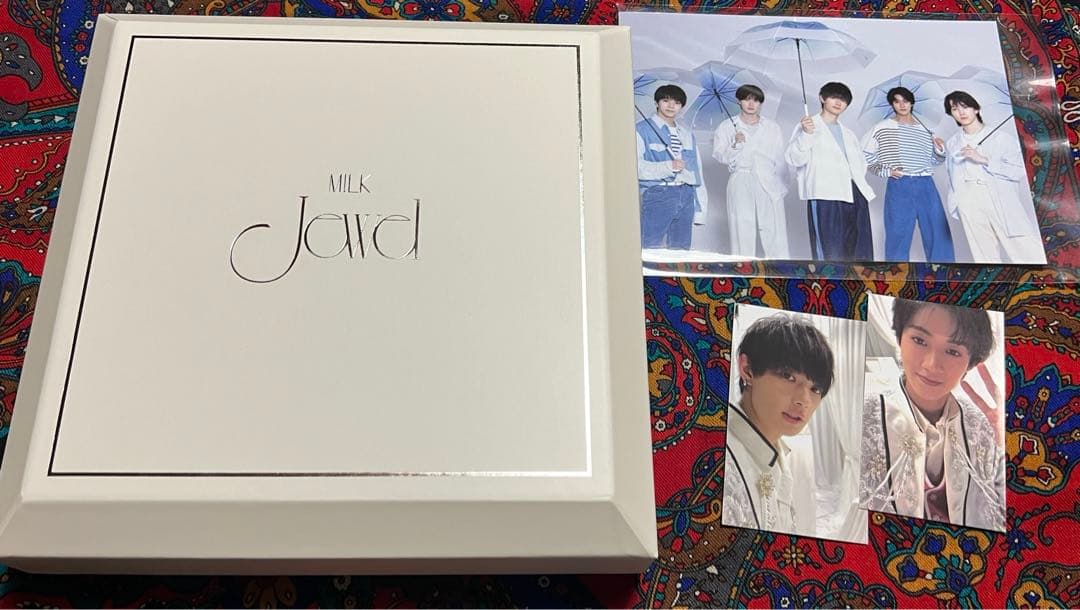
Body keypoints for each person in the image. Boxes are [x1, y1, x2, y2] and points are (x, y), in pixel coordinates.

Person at [861, 298, 1005, 531]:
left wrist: (1008, 444)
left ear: (971, 363)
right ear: (899, 338)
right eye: (919, 340)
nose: (931, 364)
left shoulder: (982, 425)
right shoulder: (864, 417)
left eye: (952, 351)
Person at [723, 313, 834, 536]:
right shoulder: (725, 461)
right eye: (788, 377)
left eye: (815, 389)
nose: (804, 400)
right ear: (747, 369)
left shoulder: (783, 456)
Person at [942, 91, 1044, 263]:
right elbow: (951, 176)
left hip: (998, 198)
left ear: (976, 109)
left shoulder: (1001, 138)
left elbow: (1019, 170)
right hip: (968, 202)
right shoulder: (952, 143)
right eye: (954, 109)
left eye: (965, 107)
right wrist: (959, 203)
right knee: (984, 256)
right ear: (951, 114)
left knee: (1026, 250)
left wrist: (984, 160)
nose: (961, 112)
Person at [862, 87, 955, 262]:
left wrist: (940, 150)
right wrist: (886, 171)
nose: (902, 105)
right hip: (900, 184)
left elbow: (935, 161)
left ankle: (944, 274)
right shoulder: (882, 128)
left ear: (912, 103)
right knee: (897, 234)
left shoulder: (926, 130)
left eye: (905, 101)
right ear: (892, 105)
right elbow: (865, 156)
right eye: (897, 101)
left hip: (926, 184)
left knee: (938, 233)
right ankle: (897, 274)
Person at [785, 82, 875, 261]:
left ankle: (858, 281)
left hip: (855, 193)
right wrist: (807, 134)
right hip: (825, 193)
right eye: (834, 97)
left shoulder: (849, 133)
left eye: (844, 100)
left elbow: (860, 164)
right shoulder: (808, 126)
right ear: (822, 98)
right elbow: (793, 159)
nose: (839, 103)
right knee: (830, 253)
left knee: (860, 252)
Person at [712, 84, 789, 259]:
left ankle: (778, 267)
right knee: (742, 225)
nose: (751, 104)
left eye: (756, 100)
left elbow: (780, 159)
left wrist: (780, 188)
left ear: (760, 103)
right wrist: (735, 144)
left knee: (773, 228)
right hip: (741, 176)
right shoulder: (727, 126)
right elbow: (719, 156)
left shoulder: (772, 127)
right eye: (747, 99)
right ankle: (743, 265)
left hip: (768, 179)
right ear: (739, 101)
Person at [635, 85, 708, 250]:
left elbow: (697, 174)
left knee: (681, 250)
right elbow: (635, 168)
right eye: (665, 100)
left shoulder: (687, 135)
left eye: (676, 102)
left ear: (681, 106)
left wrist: (700, 210)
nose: (671, 106)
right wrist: (668, 166)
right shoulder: (641, 130)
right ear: (656, 102)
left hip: (686, 194)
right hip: (658, 193)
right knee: (649, 248)